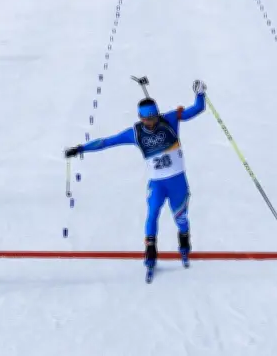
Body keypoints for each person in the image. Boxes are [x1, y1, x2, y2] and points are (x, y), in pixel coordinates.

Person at [65, 80, 207, 282]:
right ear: (140, 117)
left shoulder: (170, 119)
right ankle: (150, 252)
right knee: (152, 216)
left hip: (177, 182)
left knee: (181, 219)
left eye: (153, 117)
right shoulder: (135, 133)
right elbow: (107, 141)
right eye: (147, 118)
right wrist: (81, 148)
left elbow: (197, 109)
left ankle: (184, 244)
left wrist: (200, 94)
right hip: (158, 184)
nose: (151, 121)